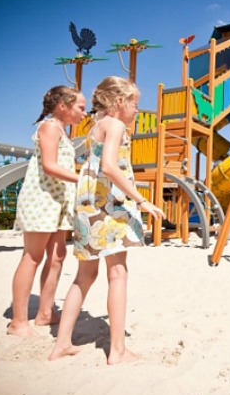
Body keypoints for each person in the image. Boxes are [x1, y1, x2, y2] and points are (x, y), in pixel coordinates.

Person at [49, 76, 164, 364]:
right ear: (120, 102)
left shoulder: (96, 125)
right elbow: (110, 167)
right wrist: (141, 199)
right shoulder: (115, 125)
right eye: (135, 104)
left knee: (84, 276)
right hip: (108, 208)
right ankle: (118, 351)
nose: (138, 110)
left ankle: (62, 343)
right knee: (118, 274)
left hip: (87, 207)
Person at [8, 86, 86, 337]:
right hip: (42, 199)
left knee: (57, 256)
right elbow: (50, 166)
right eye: (80, 108)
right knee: (32, 256)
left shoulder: (62, 132)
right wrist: (83, 177)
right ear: (63, 105)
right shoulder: (49, 127)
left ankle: (45, 313)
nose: (84, 113)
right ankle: (18, 322)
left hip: (59, 200)